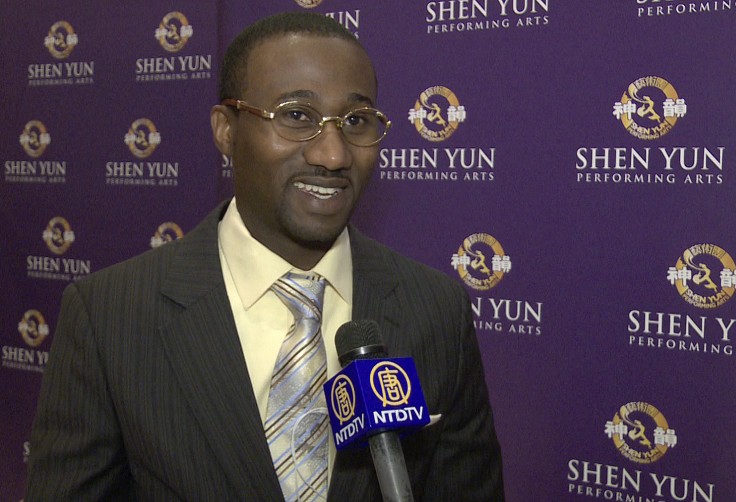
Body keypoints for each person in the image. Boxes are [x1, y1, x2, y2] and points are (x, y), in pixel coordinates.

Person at [26, 11, 504, 501]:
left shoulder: (436, 308)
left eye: (357, 120)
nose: (333, 153)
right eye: (297, 115)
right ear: (225, 130)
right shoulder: (109, 315)